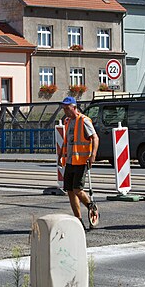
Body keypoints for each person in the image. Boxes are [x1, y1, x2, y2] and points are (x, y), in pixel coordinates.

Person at [57, 96, 99, 229]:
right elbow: (66, 140)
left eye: (67, 108)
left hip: (81, 161)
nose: (65, 111)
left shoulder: (84, 120)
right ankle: (78, 220)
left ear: (74, 108)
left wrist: (93, 155)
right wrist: (60, 155)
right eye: (64, 108)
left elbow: (95, 138)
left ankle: (91, 206)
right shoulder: (68, 121)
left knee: (77, 189)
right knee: (69, 190)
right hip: (70, 161)